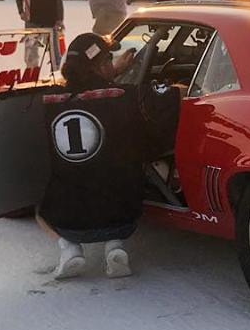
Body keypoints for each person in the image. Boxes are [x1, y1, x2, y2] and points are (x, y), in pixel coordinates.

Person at [38, 32, 180, 279]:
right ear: (101, 65)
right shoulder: (128, 96)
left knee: (40, 210)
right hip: (123, 217)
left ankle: (69, 249)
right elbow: (173, 96)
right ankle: (115, 246)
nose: (112, 63)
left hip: (69, 219)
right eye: (108, 60)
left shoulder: (49, 100)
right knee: (117, 180)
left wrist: (114, 70)